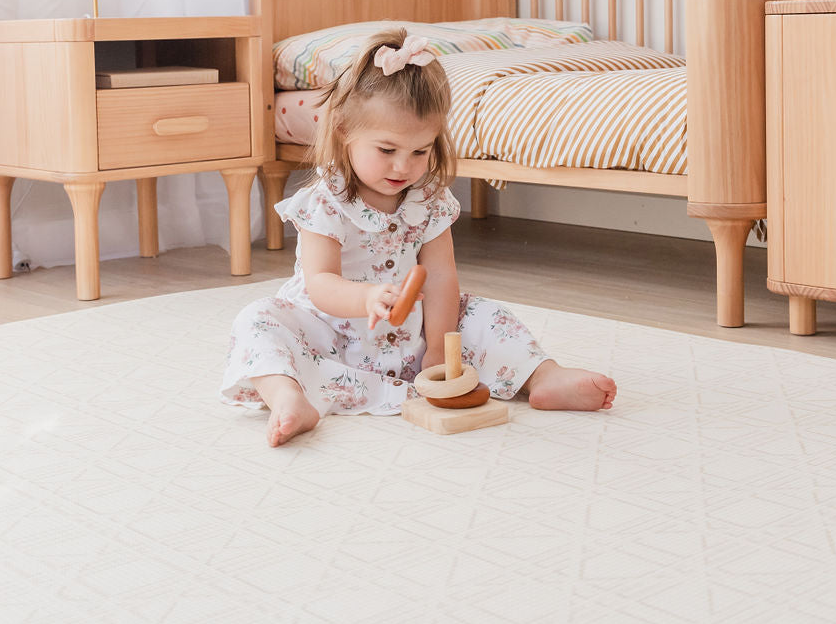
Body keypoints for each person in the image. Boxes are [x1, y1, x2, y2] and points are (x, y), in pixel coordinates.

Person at [221, 28, 617, 446]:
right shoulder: (325, 202)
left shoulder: (430, 199)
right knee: (258, 319)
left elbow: (442, 276)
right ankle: (290, 399)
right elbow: (319, 284)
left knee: (485, 315)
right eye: (387, 150)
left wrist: (438, 349)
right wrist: (367, 298)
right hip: (329, 335)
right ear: (342, 132)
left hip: (415, 335)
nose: (403, 167)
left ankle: (544, 376)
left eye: (420, 151)